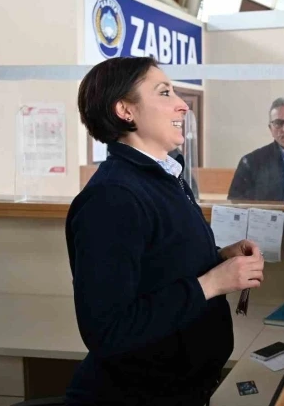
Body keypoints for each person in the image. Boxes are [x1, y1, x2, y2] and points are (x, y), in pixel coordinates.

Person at [67, 57, 265, 405]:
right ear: (125, 110)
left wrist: (218, 261)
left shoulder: (165, 178)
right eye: (164, 93)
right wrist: (213, 283)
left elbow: (159, 269)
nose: (182, 105)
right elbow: (108, 330)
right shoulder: (112, 198)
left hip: (185, 389)